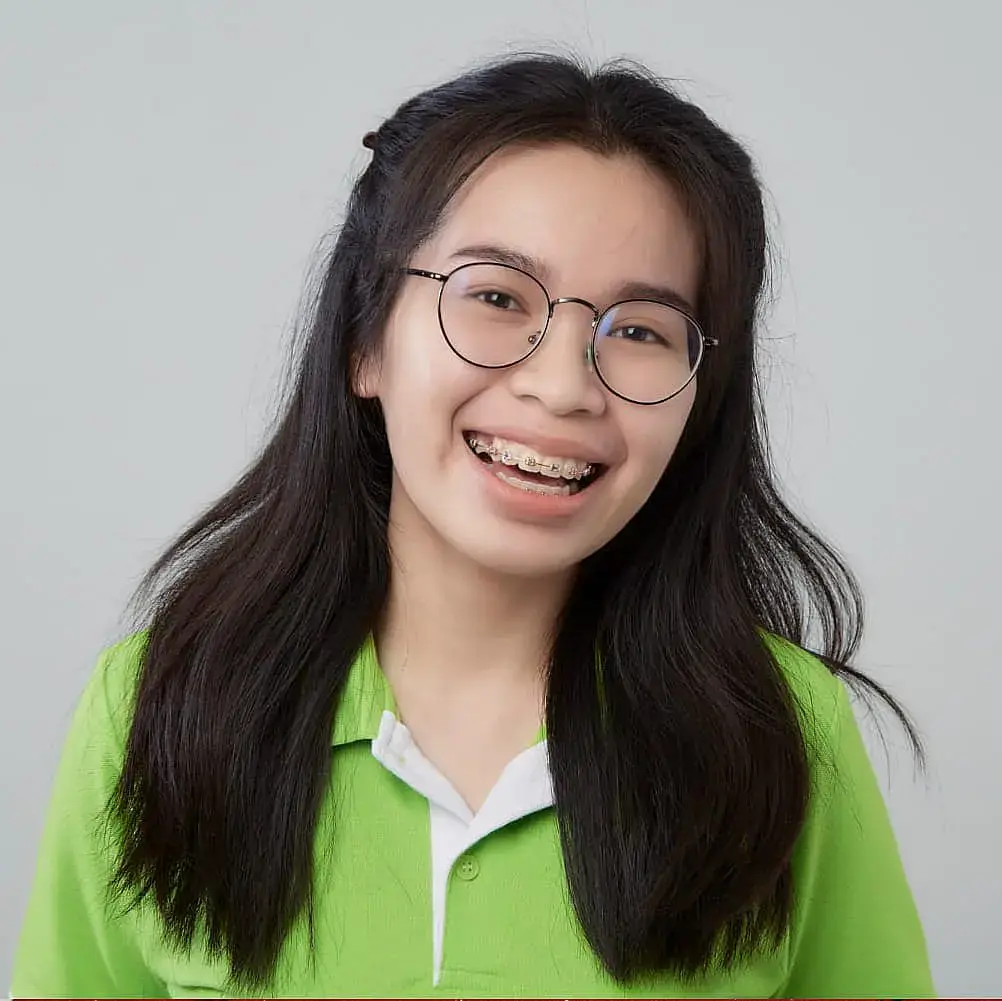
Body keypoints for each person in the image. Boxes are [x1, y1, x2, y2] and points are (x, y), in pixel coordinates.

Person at [11, 53, 932, 997]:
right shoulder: (158, 702)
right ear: (364, 342)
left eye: (642, 328)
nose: (564, 386)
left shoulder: (778, 726)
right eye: (497, 298)